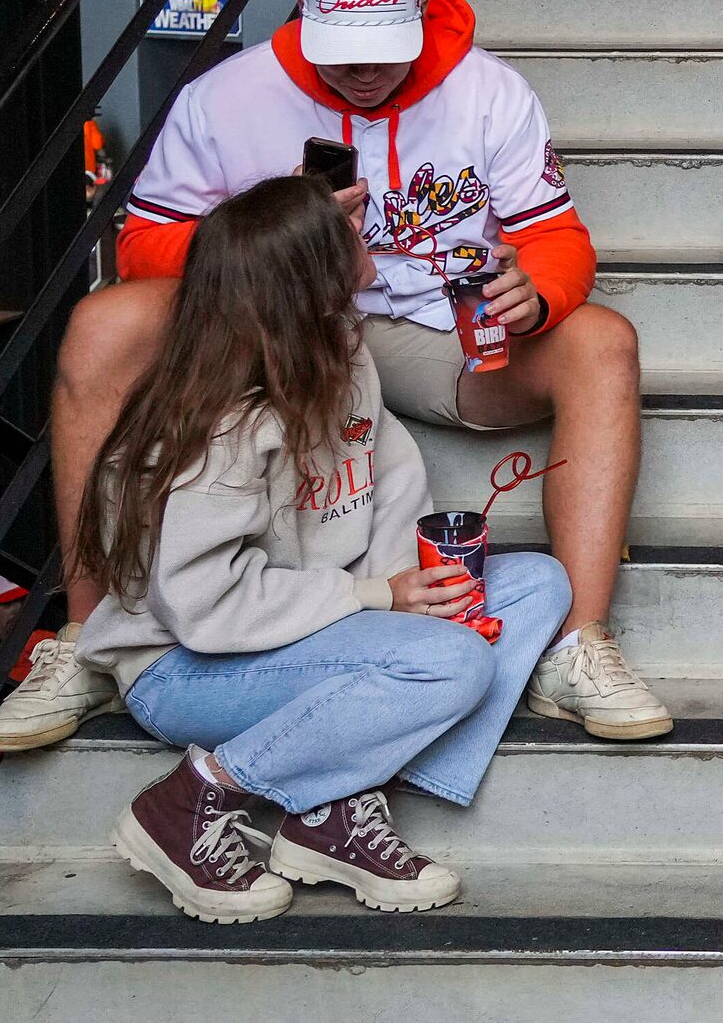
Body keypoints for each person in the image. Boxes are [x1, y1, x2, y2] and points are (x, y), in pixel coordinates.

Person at [0, 0, 669, 754]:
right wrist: (282, 232)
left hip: (425, 329)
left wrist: (541, 289)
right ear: (305, 17)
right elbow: (144, 244)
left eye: (385, 49)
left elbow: (557, 235)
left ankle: (578, 644)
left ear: (420, 18)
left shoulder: (489, 91)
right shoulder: (228, 95)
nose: (365, 71)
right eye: (342, 50)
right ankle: (83, 638)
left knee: (601, 341)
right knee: (100, 323)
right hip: (272, 325)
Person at [79, 177, 573, 923]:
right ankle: (193, 799)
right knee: (455, 660)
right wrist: (379, 601)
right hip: (184, 666)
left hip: (307, 626)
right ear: (305, 276)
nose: (362, 227)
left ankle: (334, 809)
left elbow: (389, 480)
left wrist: (419, 590)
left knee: (535, 583)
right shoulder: (223, 429)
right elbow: (206, 612)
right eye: (339, 228)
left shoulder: (338, 347)